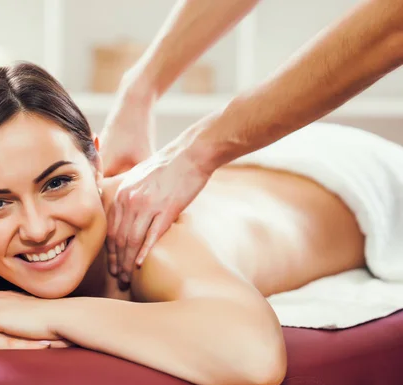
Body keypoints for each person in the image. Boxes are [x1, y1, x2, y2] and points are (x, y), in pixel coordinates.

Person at [0, 62, 400, 385]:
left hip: (359, 177)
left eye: (57, 182)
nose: (36, 227)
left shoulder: (146, 235)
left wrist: (45, 313)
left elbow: (253, 356)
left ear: (96, 161)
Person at [102, 0, 403, 283]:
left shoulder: (171, 257)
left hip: (361, 171)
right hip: (319, 156)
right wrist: (139, 90)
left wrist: (198, 151)